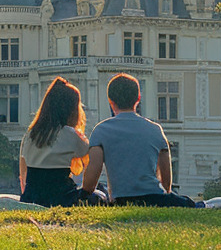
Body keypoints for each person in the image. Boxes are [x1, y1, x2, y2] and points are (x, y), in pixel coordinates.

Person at [81, 73, 203, 208]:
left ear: (110, 100)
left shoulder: (101, 130)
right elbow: (166, 185)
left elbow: (89, 185)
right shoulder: (156, 130)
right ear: (138, 98)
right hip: (156, 197)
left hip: (122, 200)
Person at [19, 77, 106, 206]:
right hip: (62, 198)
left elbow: (23, 172)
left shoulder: (31, 134)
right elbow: (91, 153)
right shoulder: (70, 134)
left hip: (31, 197)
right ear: (72, 110)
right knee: (100, 195)